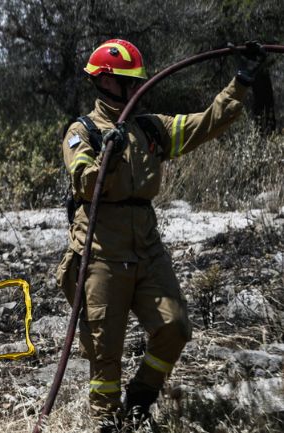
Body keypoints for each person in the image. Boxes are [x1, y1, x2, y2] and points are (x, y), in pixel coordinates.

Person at [56, 40, 266, 432]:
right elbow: (85, 183)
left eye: (137, 82)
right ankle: (107, 423)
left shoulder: (151, 128)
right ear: (104, 82)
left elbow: (205, 122)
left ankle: (140, 400)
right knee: (105, 355)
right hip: (100, 255)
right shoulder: (81, 132)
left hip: (147, 252)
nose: (135, 89)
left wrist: (240, 82)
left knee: (175, 327)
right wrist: (110, 153)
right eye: (126, 82)